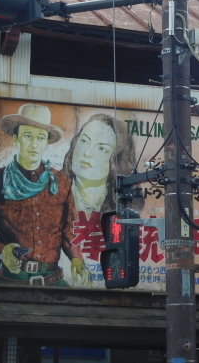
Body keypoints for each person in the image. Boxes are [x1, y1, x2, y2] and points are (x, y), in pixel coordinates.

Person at [0, 103, 90, 288]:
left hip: (52, 281)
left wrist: (77, 259)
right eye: (27, 136)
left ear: (47, 142)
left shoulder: (61, 182)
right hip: (8, 280)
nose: (34, 144)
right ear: (16, 139)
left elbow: (68, 230)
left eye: (40, 137)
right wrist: (3, 251)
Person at [62, 114, 143, 287]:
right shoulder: (52, 195)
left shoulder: (124, 208)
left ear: (116, 162)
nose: (87, 153)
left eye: (102, 149)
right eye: (84, 141)